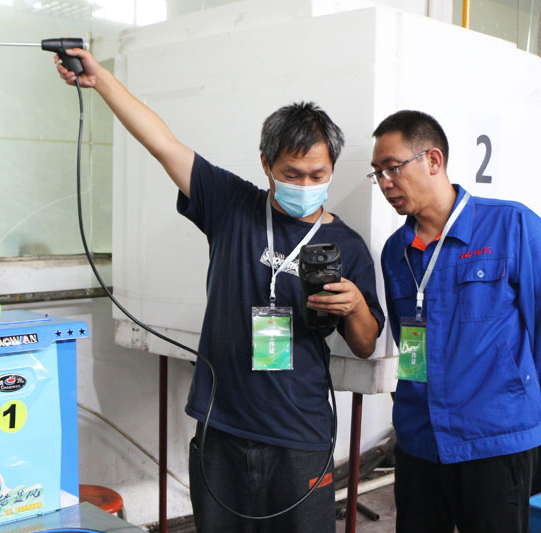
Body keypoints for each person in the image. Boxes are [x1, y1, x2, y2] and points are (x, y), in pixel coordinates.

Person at [57, 48, 383, 532]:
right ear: (266, 164)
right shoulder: (233, 206)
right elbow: (163, 144)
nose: (305, 185)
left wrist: (354, 306)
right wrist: (101, 80)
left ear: (332, 168)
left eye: (318, 175)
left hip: (301, 432)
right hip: (222, 425)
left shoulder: (347, 245)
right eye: (291, 174)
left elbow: (366, 343)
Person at [371, 110, 541, 533]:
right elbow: (406, 338)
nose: (385, 183)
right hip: (418, 440)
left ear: (433, 160)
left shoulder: (511, 225)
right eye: (377, 173)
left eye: (392, 168)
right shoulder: (395, 252)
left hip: (493, 440)